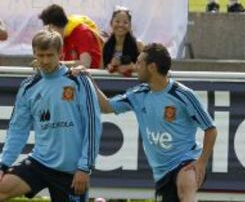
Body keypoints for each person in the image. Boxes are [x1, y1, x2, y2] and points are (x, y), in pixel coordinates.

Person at [88, 43, 217, 201]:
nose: (136, 66)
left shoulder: (182, 95)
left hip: (187, 159)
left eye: (140, 62)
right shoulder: (139, 94)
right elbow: (106, 106)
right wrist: (88, 80)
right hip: (162, 173)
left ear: (152, 67)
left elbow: (210, 128)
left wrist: (202, 162)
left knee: (186, 186)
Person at [0, 29, 102, 201]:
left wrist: (85, 168)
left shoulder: (79, 80)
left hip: (70, 170)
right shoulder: (28, 87)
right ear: (34, 53)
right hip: (40, 162)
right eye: (41, 55)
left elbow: (93, 126)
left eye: (50, 55)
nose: (45, 61)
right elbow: (18, 130)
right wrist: (3, 165)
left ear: (60, 54)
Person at [38, 4, 103, 68]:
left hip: (95, 76)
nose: (48, 33)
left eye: (48, 30)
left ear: (52, 26)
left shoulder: (82, 32)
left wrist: (54, 63)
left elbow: (85, 63)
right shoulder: (59, 38)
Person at [102, 6, 144, 77]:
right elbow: (100, 69)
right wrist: (110, 66)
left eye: (125, 22)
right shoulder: (106, 45)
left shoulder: (138, 45)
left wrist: (131, 67)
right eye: (117, 21)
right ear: (111, 23)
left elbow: (147, 69)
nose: (121, 25)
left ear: (130, 26)